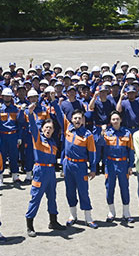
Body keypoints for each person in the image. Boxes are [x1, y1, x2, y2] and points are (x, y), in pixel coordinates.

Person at [24, 99, 65, 237]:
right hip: (40, 171)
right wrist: (30, 114)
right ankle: (30, 225)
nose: (48, 129)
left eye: (51, 128)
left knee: (52, 197)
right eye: (46, 127)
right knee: (35, 197)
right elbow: (33, 127)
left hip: (51, 172)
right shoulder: (38, 138)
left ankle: (53, 221)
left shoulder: (53, 142)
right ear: (42, 129)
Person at [61, 109, 98, 228]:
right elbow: (58, 113)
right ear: (71, 119)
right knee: (70, 191)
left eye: (79, 118)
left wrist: (93, 168)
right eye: (75, 118)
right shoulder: (68, 128)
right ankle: (73, 215)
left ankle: (88, 218)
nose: (77, 120)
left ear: (83, 120)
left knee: (83, 191)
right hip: (68, 165)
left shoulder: (88, 135)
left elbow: (92, 152)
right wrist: (53, 100)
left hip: (80, 166)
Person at [102, 111, 135, 223]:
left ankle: (126, 212)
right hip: (110, 163)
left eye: (117, 119)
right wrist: (101, 133)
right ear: (110, 121)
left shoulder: (127, 133)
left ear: (121, 120)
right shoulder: (106, 133)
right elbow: (99, 146)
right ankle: (111, 212)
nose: (115, 121)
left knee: (124, 188)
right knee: (109, 187)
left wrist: (130, 165)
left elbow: (131, 150)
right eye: (113, 119)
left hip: (123, 164)